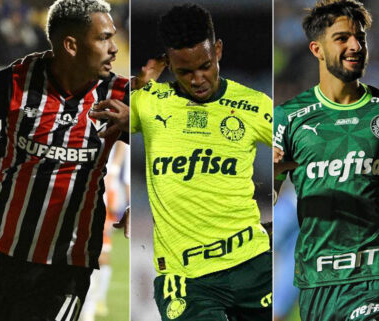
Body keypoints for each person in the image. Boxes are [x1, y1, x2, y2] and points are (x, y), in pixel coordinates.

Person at [273, 0, 379, 320]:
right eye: (342, 38)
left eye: (360, 37)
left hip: (378, 274)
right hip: (318, 281)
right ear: (317, 49)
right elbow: (269, 199)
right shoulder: (289, 117)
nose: (355, 46)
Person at [0, 0, 129, 320]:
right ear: (71, 45)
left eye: (113, 36)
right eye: (103, 38)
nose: (113, 48)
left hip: (66, 266)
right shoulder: (15, 83)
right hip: (1, 253)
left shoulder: (119, 96)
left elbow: (167, 143)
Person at [131, 3, 272, 320]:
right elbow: (104, 119)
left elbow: (300, 148)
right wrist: (137, 86)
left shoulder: (253, 105)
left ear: (218, 50)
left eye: (205, 66)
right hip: (185, 278)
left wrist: (287, 204)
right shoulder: (150, 103)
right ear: (170, 64)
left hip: (252, 265)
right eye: (184, 71)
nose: (197, 79)